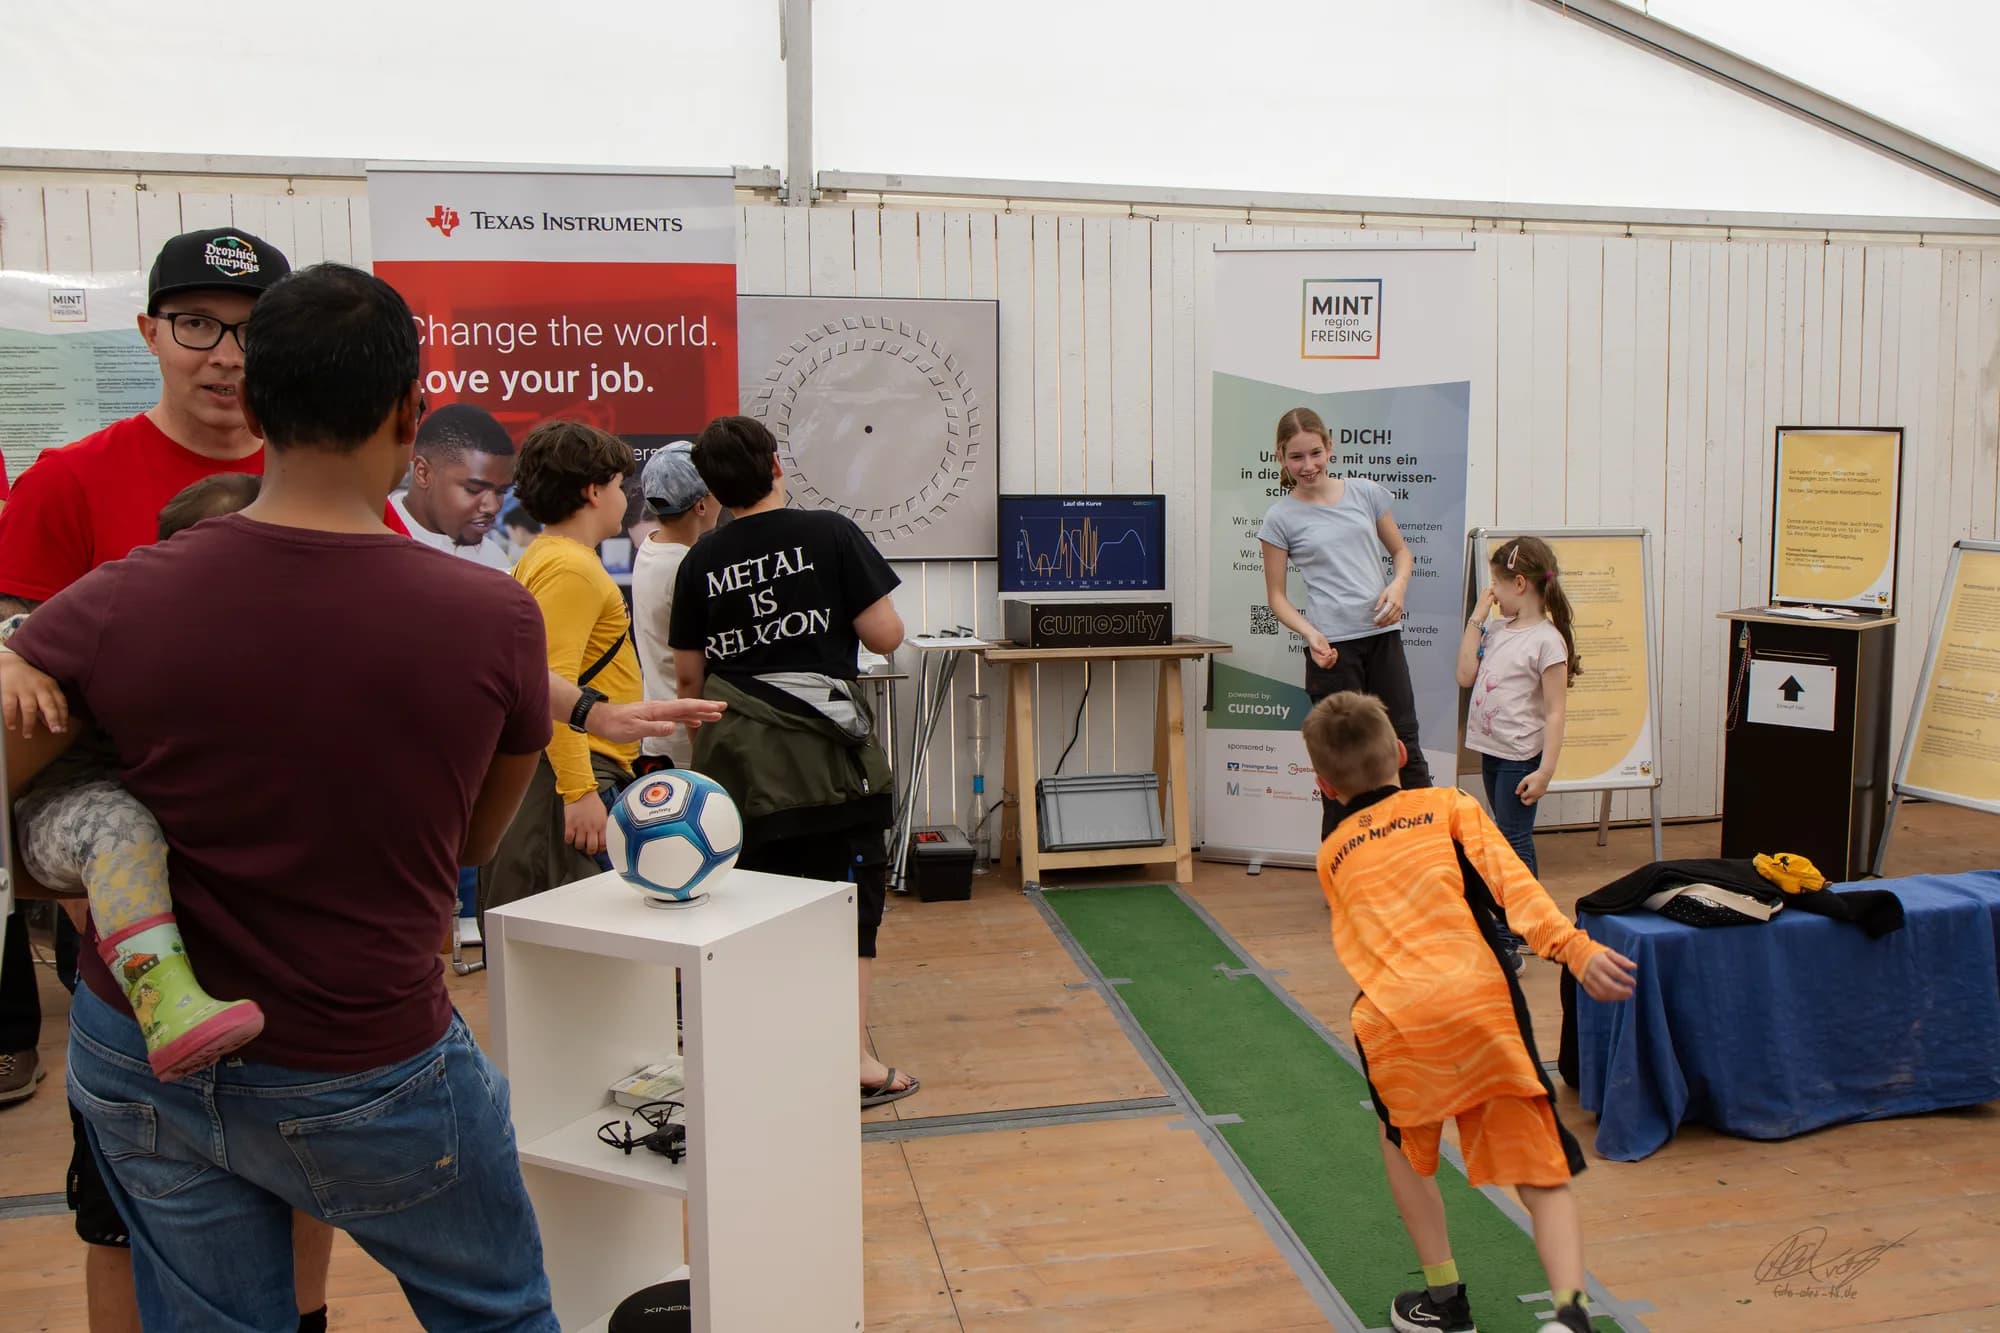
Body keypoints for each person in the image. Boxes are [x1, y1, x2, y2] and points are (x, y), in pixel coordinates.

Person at [4, 261, 563, 1330]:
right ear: (409, 414)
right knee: (495, 1309)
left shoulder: (118, 599)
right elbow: (470, 840)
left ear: (255, 411)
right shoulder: (491, 618)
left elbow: (16, 805)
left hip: (141, 1055)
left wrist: (91, 870)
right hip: (363, 1051)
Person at [0, 226, 347, 1333]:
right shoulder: (70, 482)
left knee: (301, 1182)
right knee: (123, 1210)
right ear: (149, 331)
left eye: (252, 331)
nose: (225, 356)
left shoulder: (330, 477)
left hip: (295, 912)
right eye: (198, 325)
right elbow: (16, 666)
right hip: (128, 933)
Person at [1302, 691, 1636, 1333]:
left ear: (1325, 786)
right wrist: (1575, 949)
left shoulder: (1331, 854)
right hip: (1480, 1006)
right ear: (1402, 754)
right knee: (1541, 1170)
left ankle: (1446, 1304)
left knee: (1401, 1145)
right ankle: (1571, 1314)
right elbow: (1516, 890)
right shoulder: (1450, 806)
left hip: (1393, 1024)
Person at [670, 415, 917, 1109]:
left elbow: (689, 680)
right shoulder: (831, 533)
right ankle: (852, 1060)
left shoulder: (700, 562)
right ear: (777, 465)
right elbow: (886, 635)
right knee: (850, 908)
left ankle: (764, 1059)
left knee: (752, 908)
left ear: (711, 491)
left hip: (742, 771)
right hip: (830, 768)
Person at [479, 421, 644, 921]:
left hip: (567, 773)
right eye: (619, 486)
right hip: (568, 777)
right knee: (570, 938)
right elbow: (550, 687)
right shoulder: (571, 568)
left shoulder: (548, 558)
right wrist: (579, 792)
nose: (623, 498)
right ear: (593, 492)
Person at [1258, 406, 1431, 839]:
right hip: (1332, 652)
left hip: (1382, 638)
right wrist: (1311, 633)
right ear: (1280, 457)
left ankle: (1427, 853)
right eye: (1296, 457)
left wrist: (1398, 586)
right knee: (1339, 764)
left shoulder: (1365, 493)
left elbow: (1401, 552)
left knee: (1405, 747)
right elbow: (1277, 598)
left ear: (1330, 447)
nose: (1308, 465)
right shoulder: (1279, 518)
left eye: (1315, 453)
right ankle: (1343, 865)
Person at [1456, 535, 1581, 970]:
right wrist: (1477, 617)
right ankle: (1527, 926)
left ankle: (1512, 937)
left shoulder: (1547, 641)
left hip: (1520, 758)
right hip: (1493, 752)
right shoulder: (1495, 630)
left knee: (1511, 844)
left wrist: (1545, 771)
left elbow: (1555, 712)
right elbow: (1464, 674)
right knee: (1509, 839)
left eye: (1496, 583)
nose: (1492, 592)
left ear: (1520, 584)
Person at [630, 443, 719, 775]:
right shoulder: (686, 568)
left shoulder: (650, 546)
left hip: (658, 732)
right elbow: (690, 672)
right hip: (690, 738)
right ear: (700, 505)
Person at [392, 402, 516, 569]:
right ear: (423, 473)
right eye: (474, 490)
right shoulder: (373, 537)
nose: (493, 507)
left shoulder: (494, 560)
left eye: (501, 491)